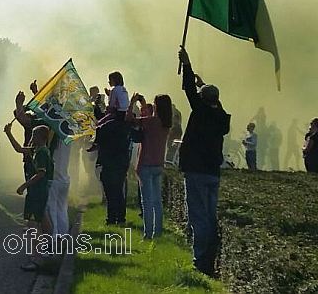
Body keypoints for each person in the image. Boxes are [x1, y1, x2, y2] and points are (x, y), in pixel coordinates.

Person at [177, 47, 230, 276]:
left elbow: (189, 90)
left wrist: (187, 65)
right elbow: (211, 101)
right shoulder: (220, 117)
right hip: (212, 172)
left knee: (198, 216)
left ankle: (201, 260)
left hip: (196, 171)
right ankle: (209, 254)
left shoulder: (200, 111)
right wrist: (203, 85)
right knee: (209, 215)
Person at [4, 122, 53, 271]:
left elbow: (41, 173)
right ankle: (49, 249)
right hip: (38, 192)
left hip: (37, 193)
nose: (31, 137)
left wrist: (24, 186)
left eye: (34, 135)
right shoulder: (35, 150)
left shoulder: (42, 153)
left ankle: (36, 259)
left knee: (32, 226)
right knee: (43, 219)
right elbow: (19, 149)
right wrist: (8, 133)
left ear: (41, 137)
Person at [126, 93, 172, 239]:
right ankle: (158, 232)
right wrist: (144, 104)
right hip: (159, 164)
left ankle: (148, 234)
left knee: (147, 201)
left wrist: (132, 103)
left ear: (156, 106)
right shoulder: (166, 124)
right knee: (157, 201)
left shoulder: (150, 122)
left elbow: (129, 120)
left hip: (145, 164)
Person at [88, 96, 131, 226]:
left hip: (108, 162)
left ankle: (111, 218)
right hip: (122, 162)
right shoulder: (127, 126)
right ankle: (121, 218)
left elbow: (97, 140)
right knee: (118, 190)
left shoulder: (105, 126)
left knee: (110, 191)